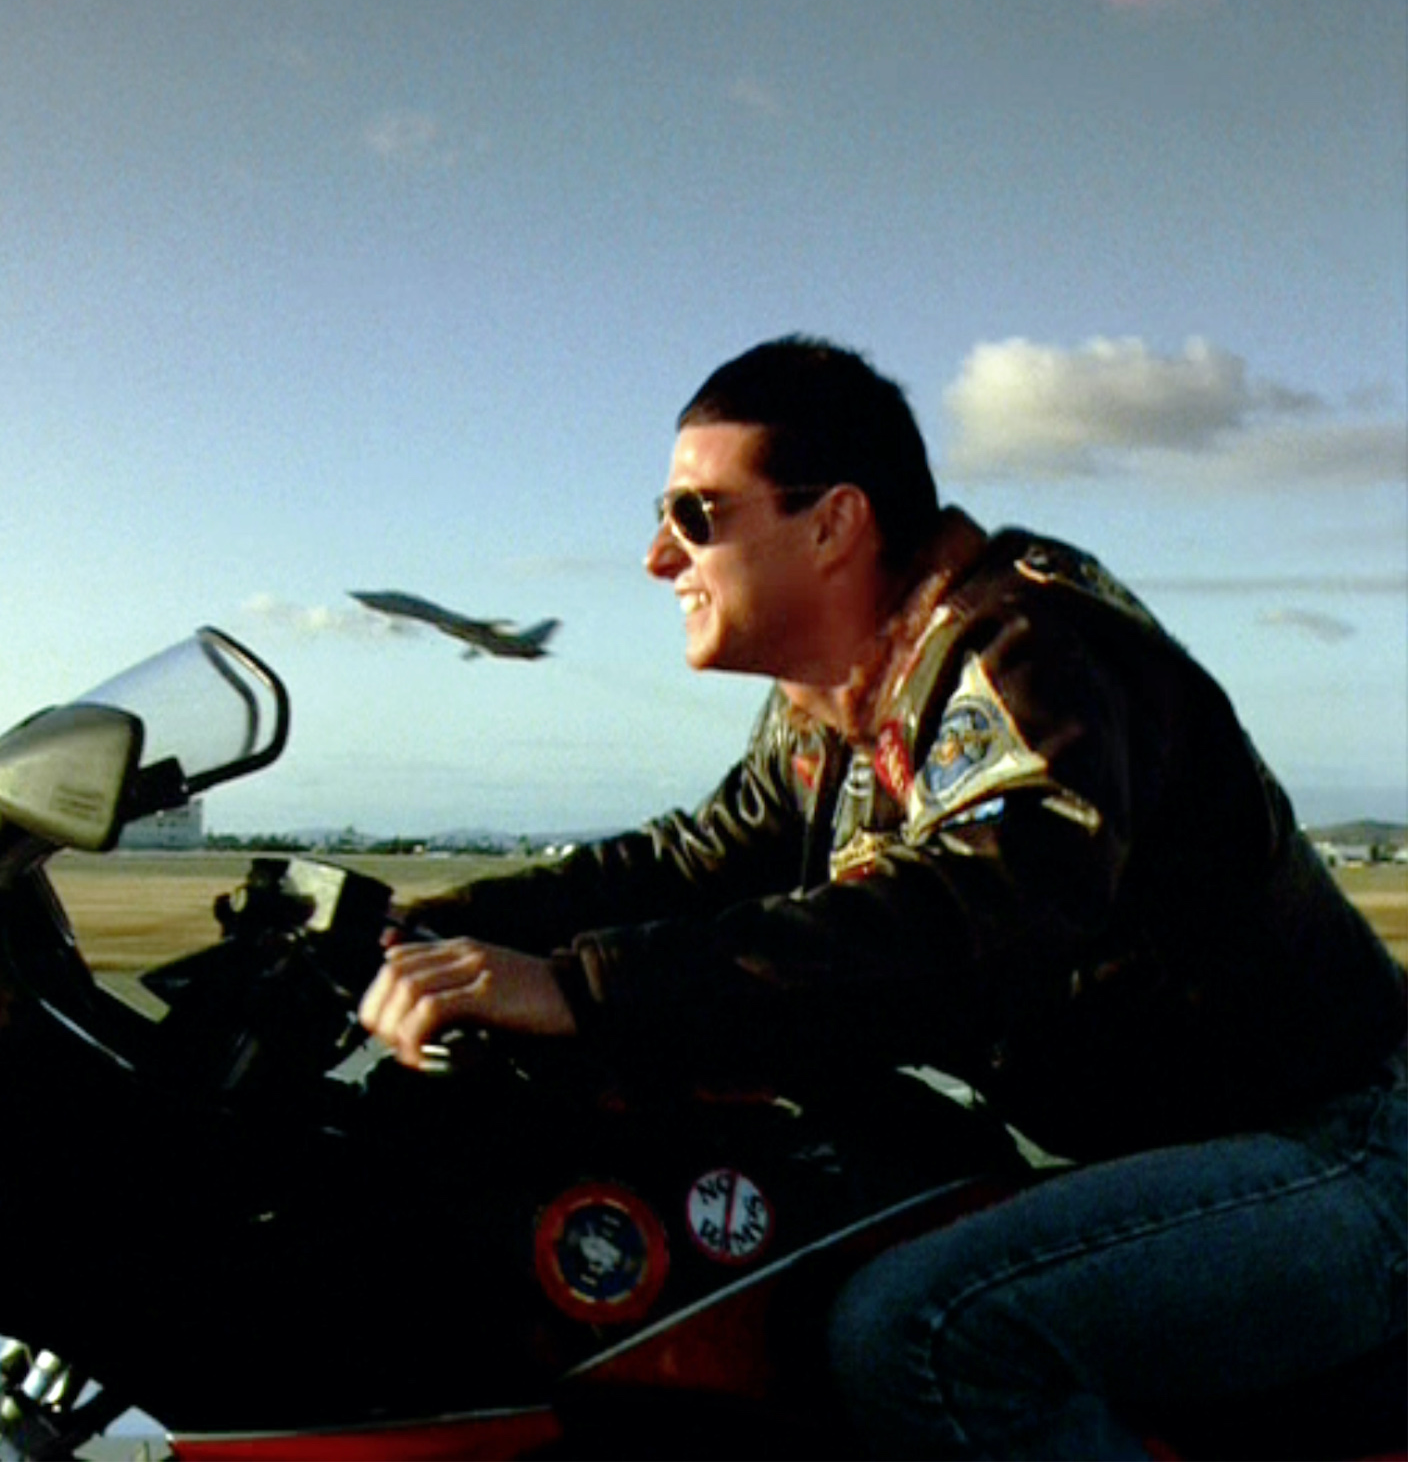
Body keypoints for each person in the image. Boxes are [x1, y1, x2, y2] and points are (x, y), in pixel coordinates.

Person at [357, 335, 1407, 1459]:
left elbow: (981, 902)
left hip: (1331, 1148)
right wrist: (429, 929)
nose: (659, 558)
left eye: (696, 514)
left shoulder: (1018, 645)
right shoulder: (841, 702)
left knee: (924, 1329)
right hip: (1154, 1154)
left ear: (831, 522)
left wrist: (580, 989)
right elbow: (692, 858)